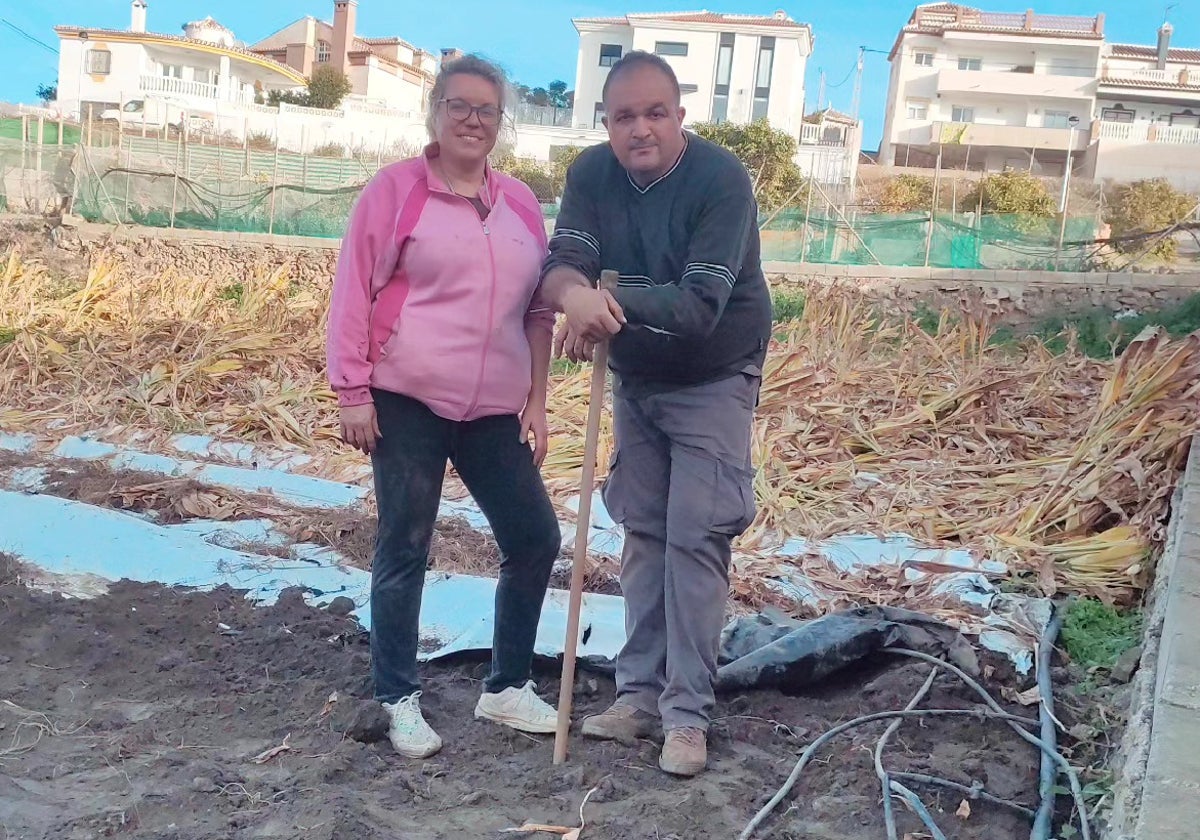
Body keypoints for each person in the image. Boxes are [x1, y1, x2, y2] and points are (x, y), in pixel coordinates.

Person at [538, 51, 771, 777]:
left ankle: (687, 714)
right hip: (636, 377)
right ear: (606, 123)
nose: (640, 129)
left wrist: (600, 302)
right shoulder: (590, 175)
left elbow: (699, 307)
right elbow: (562, 260)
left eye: (655, 113)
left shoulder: (720, 181)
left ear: (679, 116)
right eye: (624, 116)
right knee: (642, 531)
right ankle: (638, 696)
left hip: (713, 373)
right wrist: (572, 295)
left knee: (694, 537)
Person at [325, 54, 563, 759]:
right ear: (434, 113)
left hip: (494, 407)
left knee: (534, 540)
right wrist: (352, 391)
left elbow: (541, 311)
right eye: (458, 106)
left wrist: (538, 402)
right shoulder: (397, 191)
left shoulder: (520, 202)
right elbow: (352, 290)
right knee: (405, 545)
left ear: (500, 123)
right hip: (407, 399)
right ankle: (397, 697)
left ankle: (506, 687)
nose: (471, 120)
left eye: (485, 110)